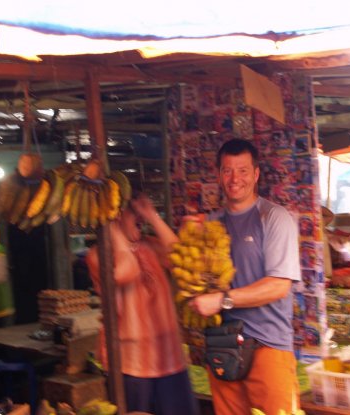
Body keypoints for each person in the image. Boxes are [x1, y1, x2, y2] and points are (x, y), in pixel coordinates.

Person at [189, 138, 302, 415]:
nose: (234, 178)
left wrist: (222, 300)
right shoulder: (212, 224)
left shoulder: (274, 218)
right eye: (227, 170)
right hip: (222, 344)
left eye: (242, 170)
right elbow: (184, 267)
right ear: (218, 175)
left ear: (255, 174)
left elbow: (278, 286)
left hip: (268, 345)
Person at [86, 194, 199, 415]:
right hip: (132, 364)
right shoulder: (98, 255)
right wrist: (114, 231)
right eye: (132, 211)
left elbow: (180, 257)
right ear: (115, 215)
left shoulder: (150, 245)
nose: (139, 217)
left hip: (170, 358)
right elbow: (128, 270)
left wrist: (152, 216)